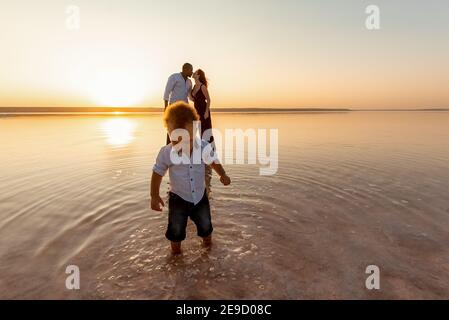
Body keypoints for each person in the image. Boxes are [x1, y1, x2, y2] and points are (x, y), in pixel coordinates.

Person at [150, 102, 231, 255]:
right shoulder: (166, 153)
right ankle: (176, 256)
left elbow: (213, 161)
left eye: (187, 140)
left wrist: (223, 174)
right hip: (177, 199)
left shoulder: (204, 147)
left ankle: (208, 250)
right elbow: (157, 173)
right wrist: (154, 195)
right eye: (176, 140)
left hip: (200, 198)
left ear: (196, 131)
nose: (182, 145)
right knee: (175, 232)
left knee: (206, 227)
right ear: (169, 133)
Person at [163, 63, 194, 144]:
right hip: (174, 108)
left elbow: (190, 96)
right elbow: (167, 92)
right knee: (172, 128)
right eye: (191, 70)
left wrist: (198, 100)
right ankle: (169, 146)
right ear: (185, 69)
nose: (192, 72)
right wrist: (166, 108)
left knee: (184, 128)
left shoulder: (189, 82)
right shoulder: (174, 77)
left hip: (185, 109)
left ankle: (181, 148)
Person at [191, 69, 213, 142]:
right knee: (200, 132)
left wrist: (206, 112)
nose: (193, 73)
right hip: (197, 112)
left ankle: (210, 150)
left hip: (203, 111)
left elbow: (208, 100)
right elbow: (194, 99)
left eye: (195, 73)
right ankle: (203, 150)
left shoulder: (202, 86)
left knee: (206, 132)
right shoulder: (194, 86)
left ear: (198, 75)